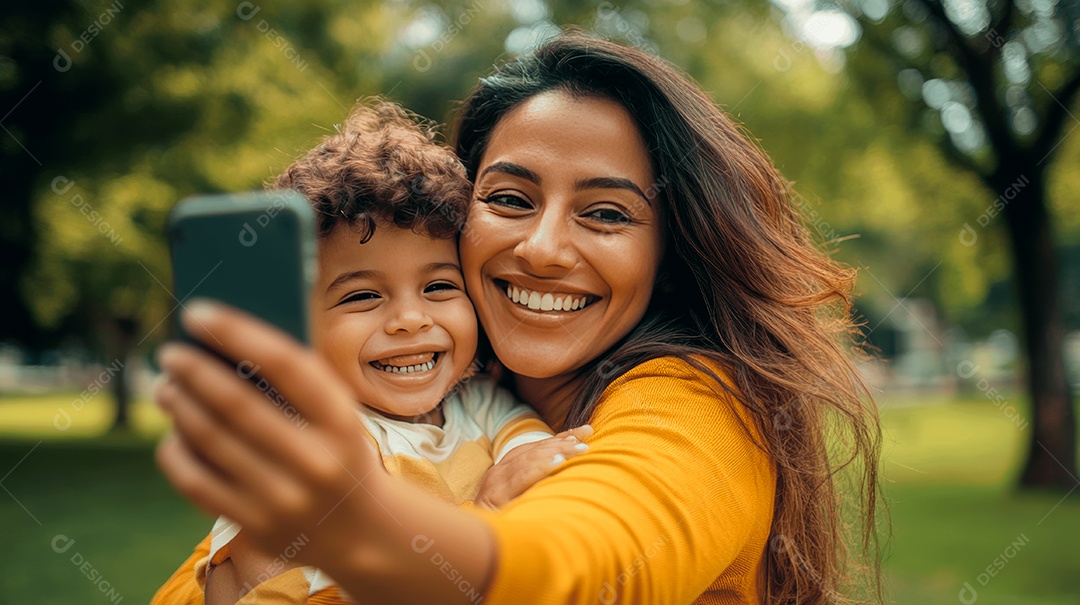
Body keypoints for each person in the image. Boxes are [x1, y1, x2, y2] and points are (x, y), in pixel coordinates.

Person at [155, 31, 882, 604]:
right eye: (508, 198)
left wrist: (362, 526)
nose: (540, 248)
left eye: (606, 213)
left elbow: (585, 568)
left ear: (670, 252)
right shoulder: (451, 395)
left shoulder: (697, 408)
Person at [151, 100, 591, 605]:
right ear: (302, 327)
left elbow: (534, 456)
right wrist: (487, 511)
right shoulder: (308, 438)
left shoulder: (481, 404)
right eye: (362, 296)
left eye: (439, 287)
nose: (410, 318)